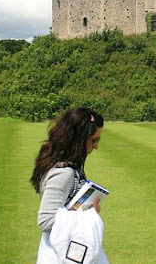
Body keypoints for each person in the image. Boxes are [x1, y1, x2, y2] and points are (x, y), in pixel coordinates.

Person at [31, 107, 107, 263]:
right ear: (79, 138)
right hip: (59, 255)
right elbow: (46, 221)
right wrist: (89, 214)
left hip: (67, 249)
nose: (96, 146)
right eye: (94, 140)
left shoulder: (69, 166)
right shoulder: (63, 173)